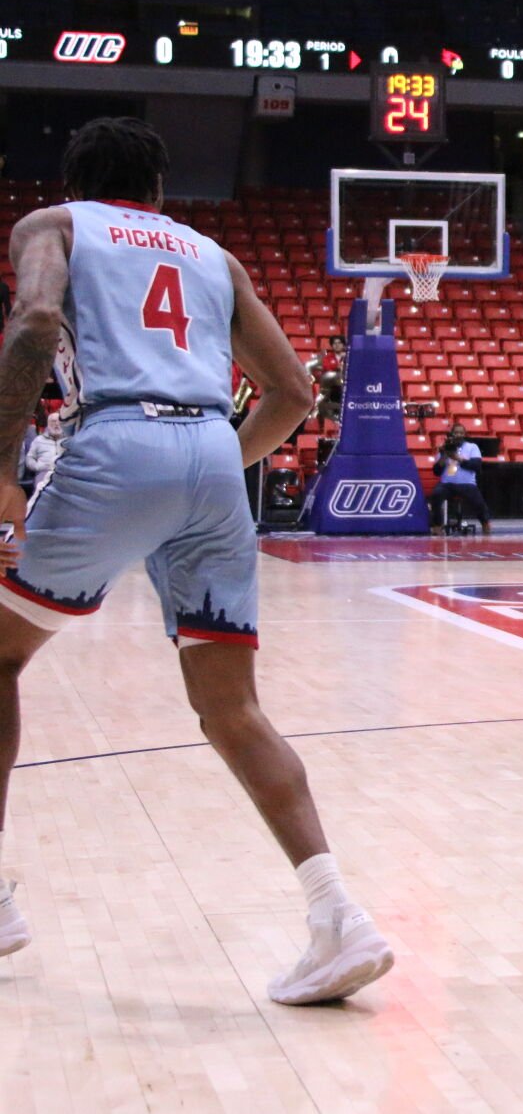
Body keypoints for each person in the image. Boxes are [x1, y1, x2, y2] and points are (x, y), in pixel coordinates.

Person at [0, 116, 393, 1002]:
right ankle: (338, 917)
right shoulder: (212, 255)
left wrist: (2, 472)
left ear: (74, 179)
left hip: (113, 438)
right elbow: (293, 392)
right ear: (160, 193)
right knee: (233, 707)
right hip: (215, 453)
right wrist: (201, 471)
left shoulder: (53, 225)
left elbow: (33, 322)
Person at [429, 423, 492, 533]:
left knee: (478, 502)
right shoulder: (444, 448)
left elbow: (477, 466)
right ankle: (437, 525)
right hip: (447, 484)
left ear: (464, 434)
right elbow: (436, 472)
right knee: (436, 495)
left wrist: (458, 458)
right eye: (456, 432)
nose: (458, 434)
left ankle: (485, 522)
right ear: (451, 434)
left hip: (467, 484)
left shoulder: (472, 447)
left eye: (461, 432)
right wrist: (444, 456)